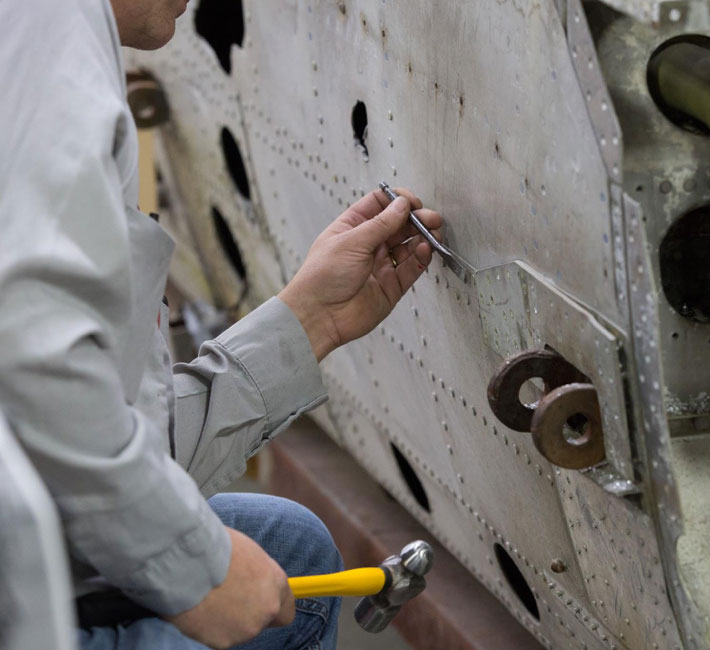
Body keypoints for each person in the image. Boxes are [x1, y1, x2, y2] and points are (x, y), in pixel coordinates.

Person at [0, 0, 443, 648]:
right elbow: (33, 359)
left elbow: (66, 414)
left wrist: (309, 321)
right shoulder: (48, 26)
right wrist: (195, 569)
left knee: (289, 546)